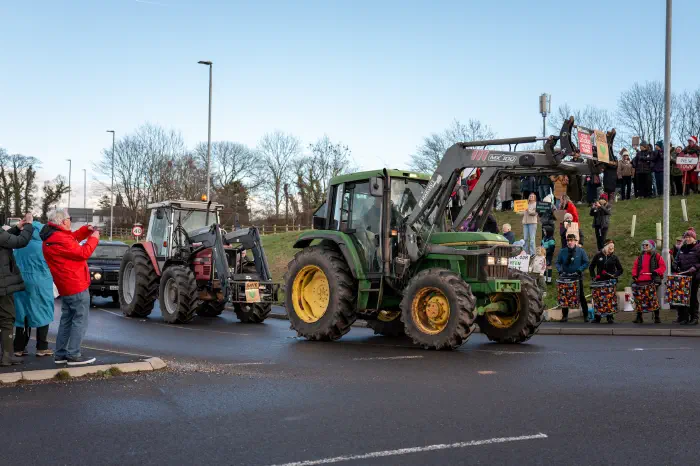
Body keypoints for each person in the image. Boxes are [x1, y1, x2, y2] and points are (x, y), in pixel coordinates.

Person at [40, 209, 100, 366]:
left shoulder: (52, 237)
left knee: (67, 320)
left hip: (65, 286)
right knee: (80, 319)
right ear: (62, 222)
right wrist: (94, 238)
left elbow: (72, 239)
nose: (70, 221)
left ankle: (60, 354)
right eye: (69, 218)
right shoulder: (60, 237)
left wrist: (86, 230)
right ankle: (73, 354)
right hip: (76, 284)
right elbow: (82, 252)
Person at [12, 219, 56, 358]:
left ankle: (18, 347)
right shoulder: (44, 245)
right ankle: (42, 346)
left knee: (21, 312)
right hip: (41, 281)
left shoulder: (19, 244)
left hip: (20, 281)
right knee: (43, 310)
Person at [0, 213, 34, 366]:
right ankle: (8, 356)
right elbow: (21, 241)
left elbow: (4, 239)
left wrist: (17, 227)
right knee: (7, 318)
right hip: (2, 284)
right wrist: (28, 225)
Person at [556, 233, 590, 322]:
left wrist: (580, 269)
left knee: (581, 296)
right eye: (568, 240)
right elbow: (558, 262)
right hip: (565, 276)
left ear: (575, 241)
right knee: (565, 296)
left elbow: (586, 262)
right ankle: (565, 316)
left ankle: (586, 315)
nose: (570, 242)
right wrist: (560, 270)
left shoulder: (581, 251)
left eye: (571, 240)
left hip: (577, 276)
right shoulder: (562, 251)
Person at [631, 239, 666, 324]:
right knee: (639, 299)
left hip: (652, 280)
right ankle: (639, 317)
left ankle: (657, 317)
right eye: (643, 245)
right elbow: (635, 267)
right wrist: (634, 275)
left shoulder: (657, 256)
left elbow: (663, 267)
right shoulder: (640, 257)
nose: (645, 247)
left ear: (651, 246)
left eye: (646, 245)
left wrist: (656, 271)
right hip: (640, 280)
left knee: (653, 299)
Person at [589, 239, 623, 323]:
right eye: (610, 247)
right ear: (605, 246)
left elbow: (620, 269)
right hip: (599, 282)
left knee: (610, 300)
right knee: (598, 299)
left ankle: (610, 317)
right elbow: (591, 267)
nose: (611, 249)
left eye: (613, 247)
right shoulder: (598, 255)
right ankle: (597, 317)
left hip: (610, 282)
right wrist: (594, 277)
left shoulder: (614, 257)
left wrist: (615, 275)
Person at [671, 228, 700, 325]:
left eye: (690, 237)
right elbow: (678, 259)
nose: (687, 239)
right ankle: (684, 317)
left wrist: (695, 267)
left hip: (694, 276)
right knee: (682, 297)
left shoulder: (698, 247)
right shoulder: (683, 248)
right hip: (683, 277)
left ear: (694, 238)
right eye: (686, 237)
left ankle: (694, 317)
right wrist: (675, 265)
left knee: (692, 298)